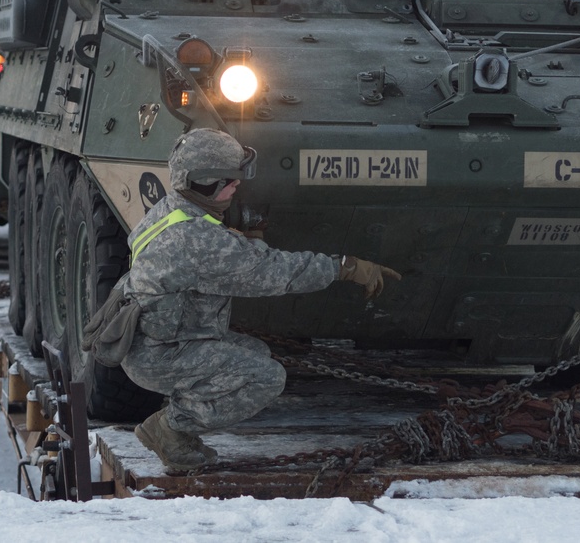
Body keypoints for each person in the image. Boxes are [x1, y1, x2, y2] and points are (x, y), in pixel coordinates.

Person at [120, 128, 401, 471]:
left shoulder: (172, 210)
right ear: (206, 182)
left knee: (254, 354)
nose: (238, 185)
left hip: (156, 339)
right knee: (265, 377)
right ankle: (170, 430)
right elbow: (276, 273)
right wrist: (345, 267)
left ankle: (179, 428)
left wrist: (242, 241)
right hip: (160, 354)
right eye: (231, 179)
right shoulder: (195, 238)